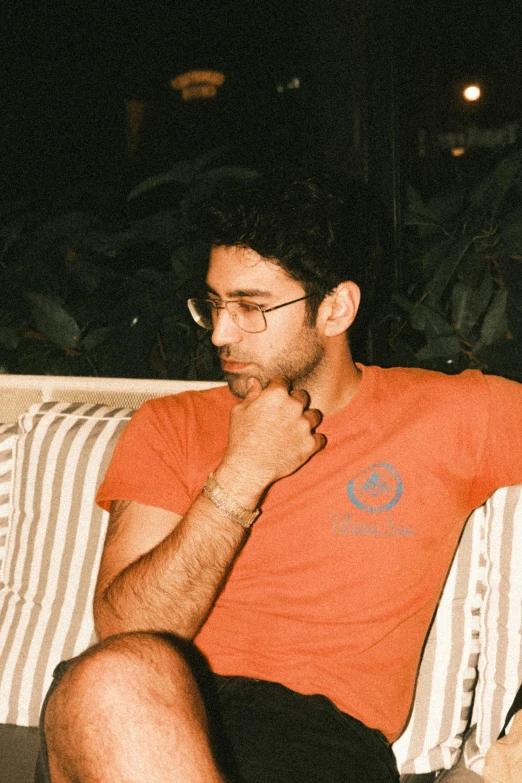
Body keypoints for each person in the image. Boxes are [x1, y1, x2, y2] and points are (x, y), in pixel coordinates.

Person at [36, 175, 522, 783]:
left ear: (335, 308)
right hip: (131, 714)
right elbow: (129, 630)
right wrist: (240, 477)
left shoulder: (452, 416)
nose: (220, 334)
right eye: (213, 305)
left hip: (313, 744)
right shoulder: (172, 425)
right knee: (113, 675)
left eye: (251, 307)